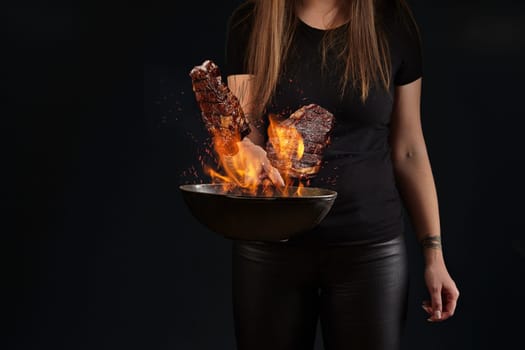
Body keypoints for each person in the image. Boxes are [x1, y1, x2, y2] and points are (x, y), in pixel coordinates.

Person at [223, 1, 460, 349]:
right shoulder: (252, 21)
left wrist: (434, 255)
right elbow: (247, 136)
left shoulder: (391, 21)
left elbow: (409, 149)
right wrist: (243, 152)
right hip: (270, 248)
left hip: (370, 252)